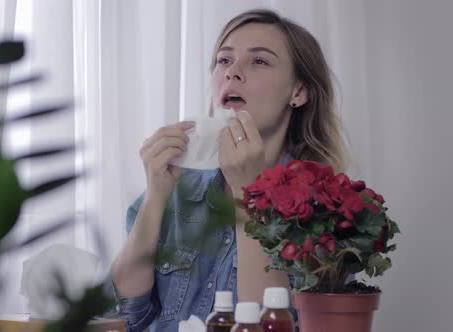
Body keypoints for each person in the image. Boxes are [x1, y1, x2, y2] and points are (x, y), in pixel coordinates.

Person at [108, 8, 348, 332]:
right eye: (224, 60)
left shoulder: (324, 208)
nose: (232, 73)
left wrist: (247, 196)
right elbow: (124, 317)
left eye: (259, 61)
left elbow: (275, 324)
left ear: (298, 92)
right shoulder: (177, 187)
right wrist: (155, 195)